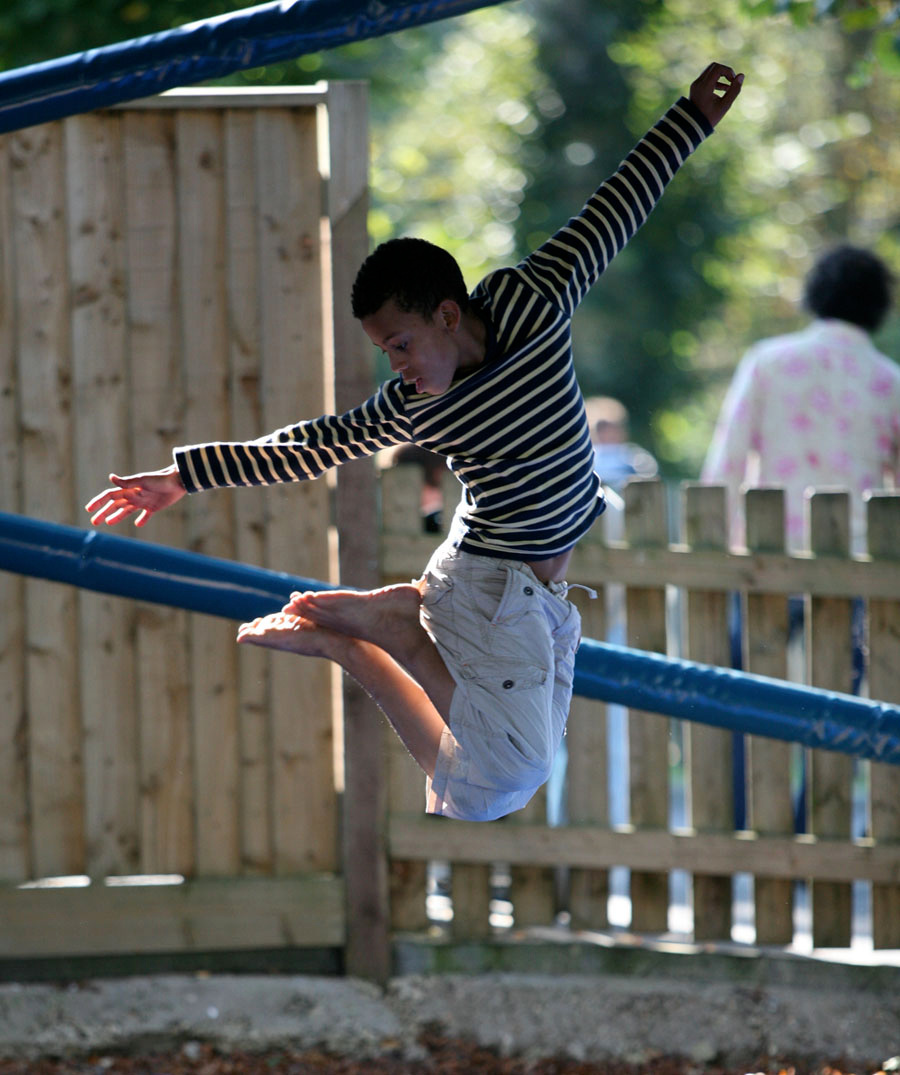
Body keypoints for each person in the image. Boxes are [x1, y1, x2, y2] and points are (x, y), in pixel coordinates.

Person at [86, 62, 744, 823]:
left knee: (481, 780)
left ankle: (380, 635)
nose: (397, 366)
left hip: (522, 597)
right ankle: (382, 635)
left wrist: (692, 118)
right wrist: (185, 475)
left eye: (400, 344)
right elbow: (312, 444)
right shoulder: (415, 407)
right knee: (497, 784)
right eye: (384, 353)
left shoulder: (535, 300)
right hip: (488, 589)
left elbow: (615, 209)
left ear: (447, 315)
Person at [702, 244, 900, 555]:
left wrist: (711, 542)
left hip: (771, 551)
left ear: (815, 292)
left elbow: (729, 459)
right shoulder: (890, 381)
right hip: (863, 555)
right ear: (880, 303)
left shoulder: (767, 361)